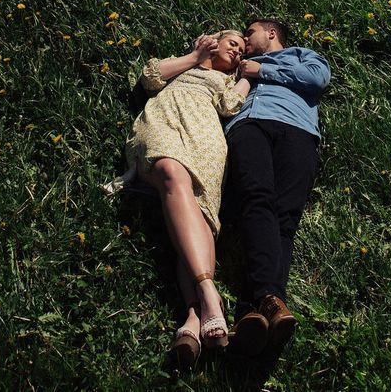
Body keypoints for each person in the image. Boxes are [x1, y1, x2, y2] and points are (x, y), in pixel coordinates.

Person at [125, 30, 250, 367]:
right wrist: (195, 56)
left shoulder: (226, 82)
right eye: (233, 44)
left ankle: (193, 320)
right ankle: (210, 294)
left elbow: (232, 105)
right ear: (211, 40)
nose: (238, 52)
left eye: (242, 51)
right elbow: (150, 78)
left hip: (206, 138)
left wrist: (246, 77)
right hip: (165, 123)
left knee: (201, 218)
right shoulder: (185, 65)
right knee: (169, 172)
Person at [224, 18, 330, 356]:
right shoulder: (237, 65)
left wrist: (261, 71)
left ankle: (253, 311)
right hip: (251, 124)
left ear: (271, 33)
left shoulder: (303, 55)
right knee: (257, 200)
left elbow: (316, 80)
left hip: (298, 131)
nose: (244, 38)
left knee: (285, 218)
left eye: (249, 32)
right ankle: (270, 303)